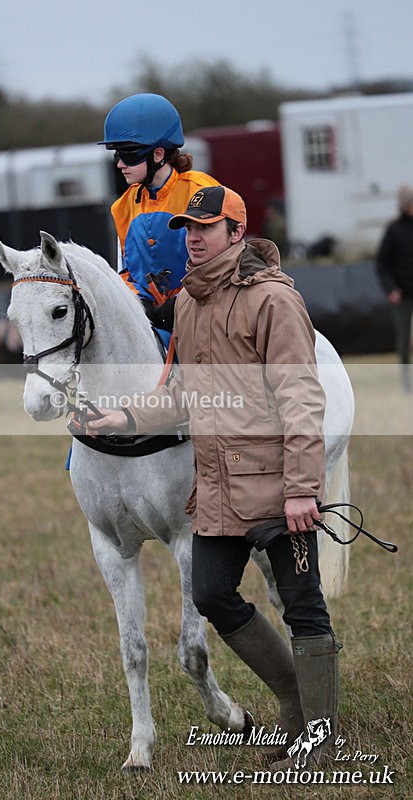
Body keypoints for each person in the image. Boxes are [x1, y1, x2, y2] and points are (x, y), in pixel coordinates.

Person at [86, 185, 341, 765]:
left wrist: (303, 489)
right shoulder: (189, 304)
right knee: (210, 594)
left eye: (205, 229)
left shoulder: (274, 301)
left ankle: (321, 742)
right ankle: (294, 699)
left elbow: (302, 399)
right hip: (219, 491)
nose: (192, 239)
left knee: (303, 608)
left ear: (235, 233)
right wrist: (123, 416)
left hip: (279, 487)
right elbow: (180, 394)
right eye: (187, 230)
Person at [98, 93, 219, 334]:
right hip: (153, 324)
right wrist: (136, 302)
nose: (120, 164)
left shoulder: (202, 191)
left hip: (209, 315)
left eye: (128, 154)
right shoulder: (121, 207)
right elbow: (126, 272)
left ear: (158, 154)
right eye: (116, 154)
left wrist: (181, 303)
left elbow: (221, 262)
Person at [376, 184, 413, 393]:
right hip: (402, 296)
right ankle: (407, 384)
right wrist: (391, 289)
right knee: (404, 341)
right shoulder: (394, 230)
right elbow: (382, 264)